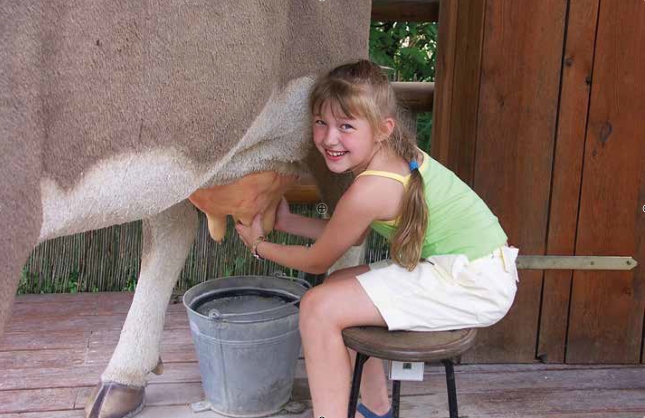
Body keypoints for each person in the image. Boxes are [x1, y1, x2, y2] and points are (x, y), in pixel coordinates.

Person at [235, 59, 520, 418]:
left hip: (474, 281)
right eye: (321, 122)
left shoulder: (370, 188)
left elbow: (317, 261)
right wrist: (289, 222)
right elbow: (346, 238)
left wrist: (259, 246)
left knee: (317, 307)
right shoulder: (390, 158)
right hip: (468, 267)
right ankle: (376, 408)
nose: (330, 138)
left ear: (382, 129)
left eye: (346, 126)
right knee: (338, 285)